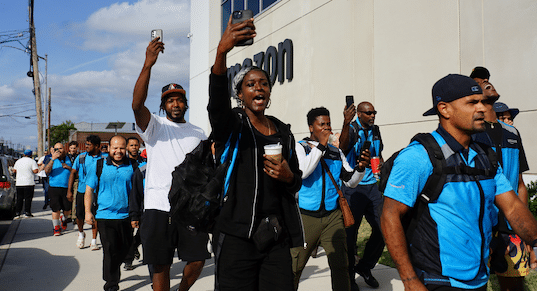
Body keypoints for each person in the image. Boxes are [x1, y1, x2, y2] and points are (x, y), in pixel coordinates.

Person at [380, 74, 537, 290]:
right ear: (444, 109)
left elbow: (513, 207)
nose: (483, 109)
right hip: (438, 280)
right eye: (472, 102)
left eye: (483, 102)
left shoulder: (485, 156)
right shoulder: (419, 157)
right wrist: (410, 281)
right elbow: (389, 216)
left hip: (479, 278)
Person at [208, 16, 304, 291]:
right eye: (250, 84)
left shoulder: (283, 132)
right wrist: (221, 52)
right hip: (237, 236)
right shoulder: (234, 125)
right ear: (240, 94)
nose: (258, 87)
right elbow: (216, 104)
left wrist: (288, 176)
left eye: (263, 83)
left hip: (275, 234)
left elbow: (296, 180)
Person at [132, 36, 209, 291]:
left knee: (198, 260)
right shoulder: (155, 127)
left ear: (186, 104)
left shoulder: (199, 132)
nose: (175, 103)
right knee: (161, 265)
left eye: (179, 99)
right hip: (158, 207)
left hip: (190, 209)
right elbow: (136, 105)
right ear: (163, 105)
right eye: (169, 99)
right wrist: (148, 64)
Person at [291, 107, 370, 291]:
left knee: (341, 265)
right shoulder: (299, 147)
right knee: (294, 267)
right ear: (311, 127)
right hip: (306, 217)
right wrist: (321, 147)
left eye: (328, 124)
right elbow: (303, 172)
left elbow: (350, 181)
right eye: (321, 125)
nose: (326, 128)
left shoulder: (336, 152)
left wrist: (360, 168)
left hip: (333, 217)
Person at [472, 86, 530, 291]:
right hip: (480, 225)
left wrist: (525, 227)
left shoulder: (513, 134)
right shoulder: (472, 133)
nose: (508, 118)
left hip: (511, 224)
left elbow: (521, 184)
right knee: (474, 284)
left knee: (513, 284)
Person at [338, 101, 384, 290]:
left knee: (384, 229)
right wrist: (345, 123)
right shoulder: (352, 129)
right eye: (368, 113)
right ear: (359, 114)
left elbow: (378, 153)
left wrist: (380, 163)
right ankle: (349, 278)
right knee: (350, 236)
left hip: (373, 186)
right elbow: (342, 146)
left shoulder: (376, 130)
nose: (373, 116)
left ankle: (365, 267)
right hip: (353, 188)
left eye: (374, 112)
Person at [84, 135, 136, 291]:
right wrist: (88, 212)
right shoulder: (99, 165)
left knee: (126, 249)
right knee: (110, 250)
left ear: (125, 148)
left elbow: (140, 191)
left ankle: (114, 269)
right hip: (105, 216)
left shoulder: (133, 166)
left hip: (126, 216)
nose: (118, 151)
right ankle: (111, 284)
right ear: (109, 148)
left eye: (121, 148)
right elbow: (89, 190)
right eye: (115, 148)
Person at [69, 135, 107, 250]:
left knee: (95, 215)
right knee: (79, 215)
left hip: (98, 192)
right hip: (82, 190)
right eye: (86, 144)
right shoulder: (81, 157)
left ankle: (94, 240)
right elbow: (72, 173)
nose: (86, 146)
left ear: (97, 146)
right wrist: (69, 190)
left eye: (89, 145)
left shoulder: (104, 159)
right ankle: (81, 234)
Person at [44, 142, 75, 236]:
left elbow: (74, 171)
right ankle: (56, 228)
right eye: (56, 149)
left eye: (60, 148)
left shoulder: (69, 158)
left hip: (67, 188)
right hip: (54, 187)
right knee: (55, 209)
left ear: (64, 149)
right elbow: (46, 171)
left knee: (67, 209)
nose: (59, 151)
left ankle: (64, 219)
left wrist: (68, 167)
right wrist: (53, 159)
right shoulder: (50, 159)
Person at [12, 149, 39, 218]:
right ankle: (27, 212)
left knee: (19, 198)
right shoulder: (32, 161)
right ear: (31, 155)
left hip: (19, 183)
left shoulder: (18, 161)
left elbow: (14, 170)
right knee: (28, 198)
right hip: (29, 182)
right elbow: (35, 171)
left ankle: (18, 213)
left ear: (24, 154)